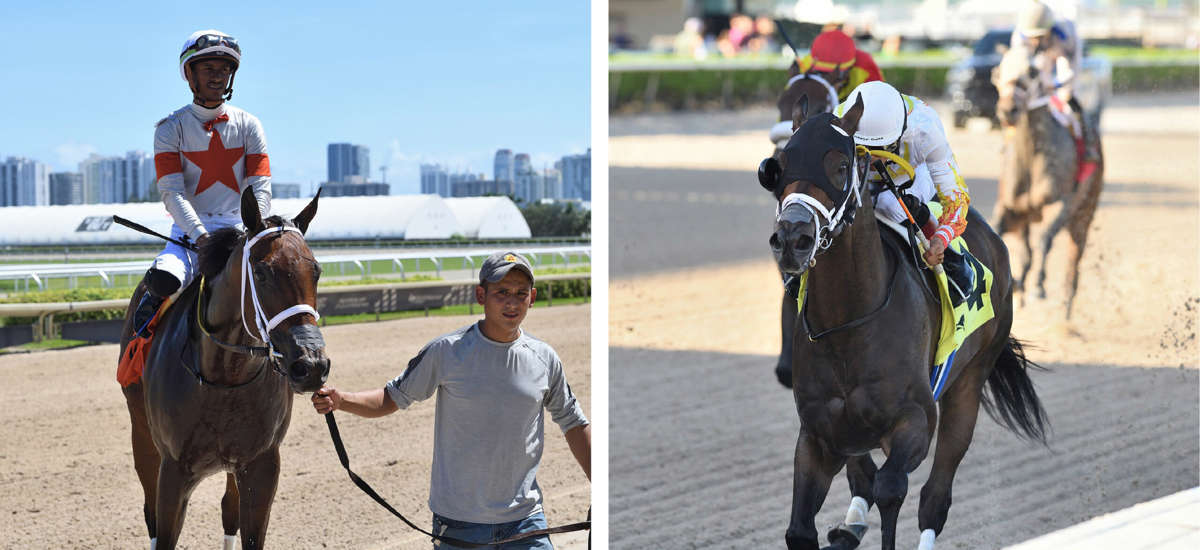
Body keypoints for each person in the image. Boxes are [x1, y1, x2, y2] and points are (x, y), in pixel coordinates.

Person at [311, 252, 591, 550]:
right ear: (481, 295)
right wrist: (342, 400)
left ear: (532, 298)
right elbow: (391, 398)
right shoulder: (446, 351)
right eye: (502, 292)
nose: (512, 302)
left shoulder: (545, 358)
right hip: (460, 525)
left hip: (526, 520)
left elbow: (574, 423)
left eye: (521, 293)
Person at [131, 29, 272, 337]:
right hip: (189, 237)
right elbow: (172, 193)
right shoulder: (170, 128)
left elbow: (260, 186)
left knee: (284, 285)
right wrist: (201, 237)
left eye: (224, 69)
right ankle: (139, 354)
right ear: (190, 74)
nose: (218, 76)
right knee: (163, 281)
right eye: (208, 68)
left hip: (240, 232)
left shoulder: (250, 125)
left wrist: (255, 228)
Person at [835, 81, 975, 296]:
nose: (870, 156)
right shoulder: (838, 119)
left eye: (879, 147)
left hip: (913, 171)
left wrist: (940, 240)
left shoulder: (925, 130)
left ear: (899, 135)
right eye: (862, 146)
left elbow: (956, 198)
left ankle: (951, 259)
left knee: (891, 206)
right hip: (858, 171)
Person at [1009, 0, 1099, 183]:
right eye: (1032, 37)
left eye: (1039, 36)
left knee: (1069, 100)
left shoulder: (1066, 34)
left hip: (1066, 62)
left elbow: (1069, 71)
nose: (1035, 41)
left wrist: (1057, 86)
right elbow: (1019, 68)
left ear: (1049, 30)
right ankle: (1009, 145)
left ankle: (1088, 145)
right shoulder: (1019, 37)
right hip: (1040, 67)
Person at [794, 29, 884, 102]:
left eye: (837, 74)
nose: (828, 80)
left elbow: (879, 101)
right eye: (821, 73)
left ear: (850, 67)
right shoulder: (806, 65)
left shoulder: (865, 66)